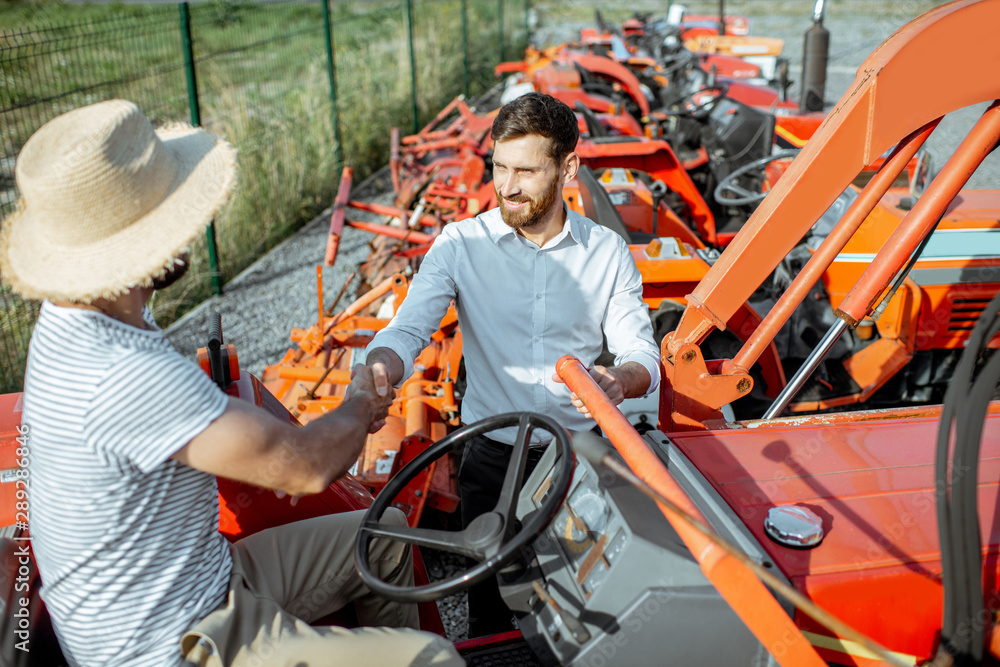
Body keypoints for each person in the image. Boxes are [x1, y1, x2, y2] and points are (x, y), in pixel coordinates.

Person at [0, 100, 463, 667]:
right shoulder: (123, 370)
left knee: (385, 535)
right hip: (170, 643)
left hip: (200, 578)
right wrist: (360, 402)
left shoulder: (82, 317)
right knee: (434, 659)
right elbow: (306, 467)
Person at [364, 92, 660, 637]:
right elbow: (407, 330)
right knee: (490, 613)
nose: (507, 186)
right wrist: (382, 364)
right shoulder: (460, 244)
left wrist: (618, 380)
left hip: (577, 465)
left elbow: (641, 355)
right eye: (499, 167)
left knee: (580, 614)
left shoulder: (608, 253)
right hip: (488, 458)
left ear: (568, 166)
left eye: (525, 170)